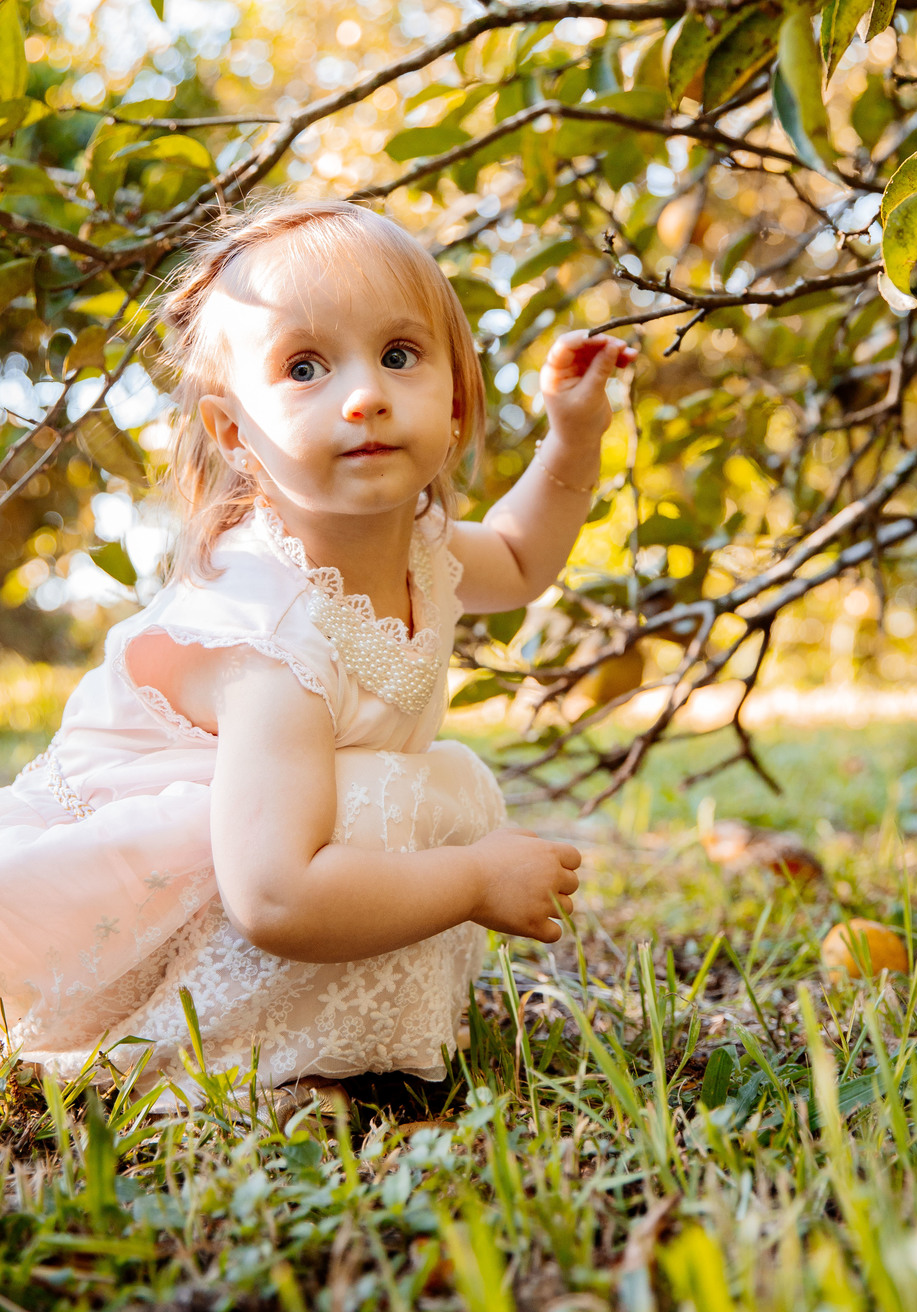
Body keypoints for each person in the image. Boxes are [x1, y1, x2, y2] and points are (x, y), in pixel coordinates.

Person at [0, 198, 634, 1095]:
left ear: (453, 401)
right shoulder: (270, 636)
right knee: (378, 798)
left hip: (265, 852)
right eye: (305, 367)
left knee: (416, 788)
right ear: (234, 434)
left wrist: (573, 436)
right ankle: (229, 1058)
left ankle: (335, 1043)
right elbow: (275, 897)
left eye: (400, 355)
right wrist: (474, 881)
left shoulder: (421, 542)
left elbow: (525, 561)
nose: (366, 393)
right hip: (144, 907)